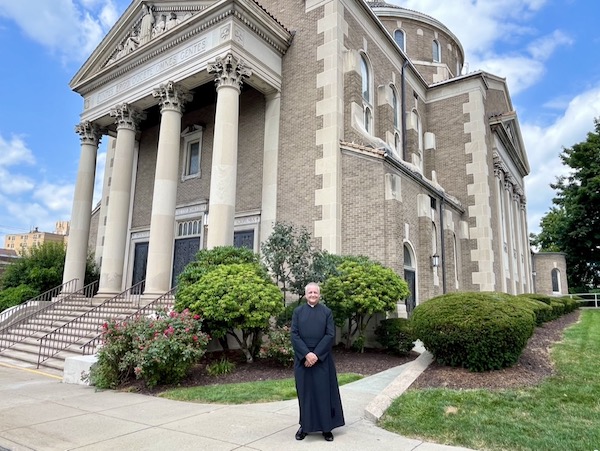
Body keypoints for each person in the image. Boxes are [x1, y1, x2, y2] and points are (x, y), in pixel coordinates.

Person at [291, 282, 345, 442]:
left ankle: (326, 428)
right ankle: (305, 426)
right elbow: (294, 335)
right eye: (310, 292)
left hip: (322, 359)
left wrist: (315, 355)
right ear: (305, 294)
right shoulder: (298, 312)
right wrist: (306, 354)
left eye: (315, 292)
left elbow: (330, 335)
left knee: (323, 394)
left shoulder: (326, 312)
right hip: (303, 359)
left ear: (319, 295)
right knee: (305, 394)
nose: (313, 295)